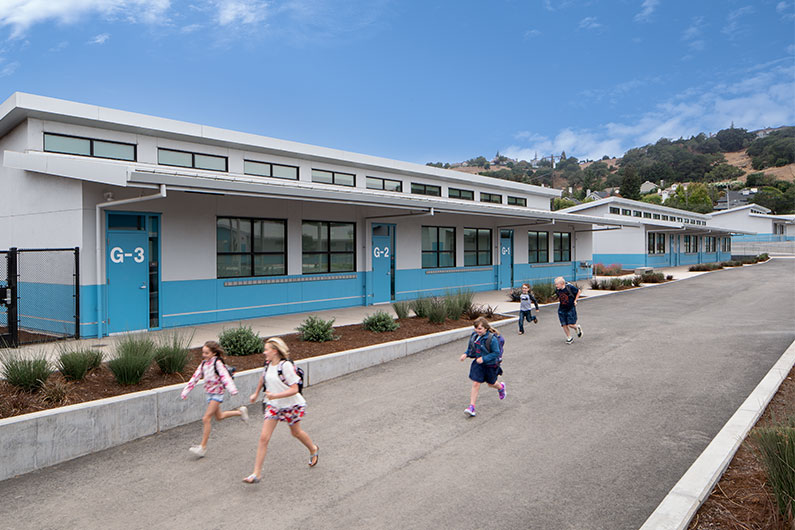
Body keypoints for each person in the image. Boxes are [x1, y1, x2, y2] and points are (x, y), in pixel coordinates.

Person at [243, 337, 318, 484]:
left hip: (291, 405)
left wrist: (275, 395)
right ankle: (256, 474)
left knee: (295, 432)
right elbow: (262, 379)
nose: (264, 352)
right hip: (273, 405)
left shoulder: (285, 366)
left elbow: (295, 389)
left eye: (267, 350)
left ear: (275, 351)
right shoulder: (267, 365)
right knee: (264, 438)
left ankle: (313, 449)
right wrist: (256, 393)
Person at [180, 340, 248, 458]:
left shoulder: (217, 363)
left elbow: (225, 376)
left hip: (217, 394)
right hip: (209, 394)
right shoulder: (203, 364)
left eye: (206, 353)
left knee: (206, 418)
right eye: (203, 352)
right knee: (219, 416)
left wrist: (232, 389)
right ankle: (240, 412)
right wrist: (186, 391)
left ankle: (203, 447)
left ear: (214, 353)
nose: (204, 355)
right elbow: (195, 378)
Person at [459, 317, 506, 417]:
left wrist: (484, 359)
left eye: (479, 328)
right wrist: (466, 354)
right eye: (476, 328)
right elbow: (470, 348)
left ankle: (501, 387)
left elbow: (496, 353)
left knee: (491, 383)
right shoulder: (474, 336)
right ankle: (471, 407)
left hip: (491, 365)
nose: (477, 330)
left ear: (485, 328)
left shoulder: (491, 339)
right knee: (476, 383)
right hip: (479, 364)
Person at [554, 276, 582, 345]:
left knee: (570, 324)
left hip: (570, 308)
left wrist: (575, 300)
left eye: (557, 284)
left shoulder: (569, 287)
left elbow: (578, 291)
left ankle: (577, 327)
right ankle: (569, 337)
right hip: (562, 309)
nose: (556, 285)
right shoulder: (557, 290)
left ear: (562, 283)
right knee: (564, 324)